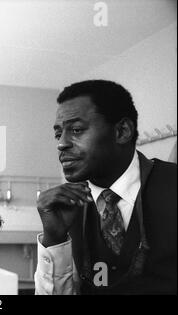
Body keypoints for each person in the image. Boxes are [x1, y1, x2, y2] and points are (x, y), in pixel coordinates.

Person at [35, 80, 177, 295]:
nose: (61, 143)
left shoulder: (171, 184)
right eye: (58, 134)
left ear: (122, 131)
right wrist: (54, 238)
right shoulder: (67, 208)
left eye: (76, 129)